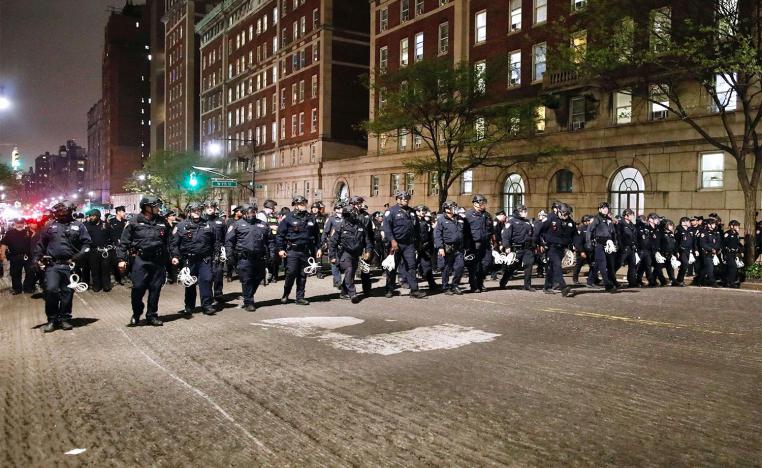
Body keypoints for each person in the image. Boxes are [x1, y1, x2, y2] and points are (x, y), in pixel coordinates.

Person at [33, 200, 92, 332]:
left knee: (67, 293)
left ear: (70, 210)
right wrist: (36, 259)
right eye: (58, 211)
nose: (59, 213)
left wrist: (78, 256)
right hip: (53, 265)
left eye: (62, 210)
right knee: (51, 290)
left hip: (70, 265)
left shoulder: (79, 226)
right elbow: (40, 244)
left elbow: (87, 244)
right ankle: (52, 319)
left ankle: (65, 318)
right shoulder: (49, 225)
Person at [117, 196, 171, 327]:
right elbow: (124, 242)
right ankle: (136, 313)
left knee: (155, 288)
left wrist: (170, 258)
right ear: (146, 207)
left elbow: (169, 241)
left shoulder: (162, 222)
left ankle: (152, 315)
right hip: (140, 260)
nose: (158, 208)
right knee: (138, 288)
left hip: (158, 261)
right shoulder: (134, 221)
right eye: (155, 206)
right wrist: (121, 259)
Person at [225, 203, 275, 311]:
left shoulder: (263, 224)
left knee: (258, 278)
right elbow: (229, 242)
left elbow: (270, 240)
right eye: (248, 212)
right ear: (243, 213)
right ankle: (248, 302)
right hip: (244, 258)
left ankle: (248, 295)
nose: (251, 214)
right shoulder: (236, 225)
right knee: (247, 280)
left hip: (259, 257)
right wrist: (229, 256)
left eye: (253, 212)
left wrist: (272, 254)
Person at [171, 202, 217, 316]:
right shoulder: (181, 226)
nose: (197, 212)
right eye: (194, 210)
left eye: (199, 210)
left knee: (206, 280)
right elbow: (174, 243)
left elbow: (215, 242)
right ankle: (189, 306)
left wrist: (216, 256)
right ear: (189, 212)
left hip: (204, 259)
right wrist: (175, 256)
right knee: (190, 283)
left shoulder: (208, 225)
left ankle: (207, 305)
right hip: (189, 259)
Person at [276, 195, 322, 305]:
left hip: (306, 250)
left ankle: (300, 297)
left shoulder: (311, 217)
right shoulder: (288, 217)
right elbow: (280, 235)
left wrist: (318, 248)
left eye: (305, 203)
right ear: (296, 205)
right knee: (291, 273)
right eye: (302, 204)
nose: (304, 206)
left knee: (303, 274)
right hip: (292, 250)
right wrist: (280, 249)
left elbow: (317, 235)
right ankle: (286, 294)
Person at [383, 191, 426, 298]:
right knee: (392, 267)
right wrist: (393, 241)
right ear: (398, 199)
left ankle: (414, 290)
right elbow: (387, 229)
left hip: (409, 244)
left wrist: (418, 242)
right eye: (403, 198)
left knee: (411, 267)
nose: (406, 200)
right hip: (396, 244)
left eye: (407, 199)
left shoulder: (412, 212)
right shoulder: (391, 211)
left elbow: (416, 229)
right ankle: (389, 289)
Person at [330, 202, 371, 303]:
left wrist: (368, 251)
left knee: (351, 273)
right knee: (349, 270)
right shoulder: (341, 226)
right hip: (345, 253)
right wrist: (332, 256)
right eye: (346, 215)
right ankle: (353, 294)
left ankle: (344, 292)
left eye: (350, 214)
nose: (348, 217)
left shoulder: (361, 225)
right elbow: (333, 242)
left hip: (356, 253)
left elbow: (367, 240)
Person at [534, 203, 575, 297]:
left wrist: (576, 247)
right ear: (559, 212)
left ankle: (547, 287)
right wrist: (538, 244)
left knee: (552, 268)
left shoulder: (570, 222)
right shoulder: (550, 219)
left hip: (562, 248)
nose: (565, 216)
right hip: (551, 247)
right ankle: (563, 287)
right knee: (557, 266)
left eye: (567, 214)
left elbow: (574, 235)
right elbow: (538, 230)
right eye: (564, 214)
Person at [499, 204, 535, 291]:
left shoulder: (527, 222)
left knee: (529, 265)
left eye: (526, 211)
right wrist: (507, 246)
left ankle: (527, 285)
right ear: (518, 212)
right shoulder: (511, 222)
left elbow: (532, 234)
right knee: (512, 267)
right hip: (517, 248)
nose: (525, 213)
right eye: (523, 211)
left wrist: (534, 244)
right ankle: (503, 282)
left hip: (527, 248)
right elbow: (506, 235)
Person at [434, 201, 466, 295]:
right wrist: (440, 247)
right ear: (446, 209)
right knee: (446, 268)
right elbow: (437, 234)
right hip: (446, 248)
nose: (454, 209)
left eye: (455, 207)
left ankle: (455, 285)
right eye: (452, 207)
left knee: (460, 266)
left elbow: (465, 233)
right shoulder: (441, 220)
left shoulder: (459, 218)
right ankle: (445, 286)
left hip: (458, 248)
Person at [586, 202, 619, 292]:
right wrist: (589, 243)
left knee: (601, 264)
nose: (605, 209)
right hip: (599, 244)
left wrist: (615, 243)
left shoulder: (609, 220)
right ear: (600, 209)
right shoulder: (596, 219)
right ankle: (607, 284)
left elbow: (613, 233)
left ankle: (590, 281)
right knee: (603, 264)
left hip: (608, 245)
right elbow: (589, 231)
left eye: (607, 208)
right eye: (603, 208)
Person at [464, 195, 492, 293]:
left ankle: (480, 282)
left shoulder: (487, 215)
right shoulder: (468, 215)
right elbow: (464, 232)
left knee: (487, 263)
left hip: (486, 244)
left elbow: (491, 230)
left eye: (484, 203)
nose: (484, 205)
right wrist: (466, 245)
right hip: (474, 244)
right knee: (474, 266)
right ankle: (474, 285)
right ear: (475, 203)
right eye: (482, 203)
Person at [0, 218, 36, 294]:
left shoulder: (29, 232)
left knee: (31, 272)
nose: (19, 225)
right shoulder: (9, 233)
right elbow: (4, 244)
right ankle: (17, 289)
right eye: (17, 223)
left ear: (23, 224)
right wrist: (2, 254)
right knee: (15, 274)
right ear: (15, 223)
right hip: (14, 256)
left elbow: (34, 243)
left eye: (21, 223)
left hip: (28, 256)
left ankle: (27, 288)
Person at [83, 209, 114, 292]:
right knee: (95, 270)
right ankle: (96, 285)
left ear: (98, 216)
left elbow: (112, 237)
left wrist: (111, 246)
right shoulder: (86, 225)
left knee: (105, 269)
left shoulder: (105, 225)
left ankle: (106, 285)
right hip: (93, 251)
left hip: (105, 251)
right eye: (90, 216)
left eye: (93, 216)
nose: (91, 217)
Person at [349, 196, 375, 296]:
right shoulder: (347, 215)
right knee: (350, 270)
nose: (359, 205)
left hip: (363, 246)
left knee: (365, 269)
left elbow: (369, 235)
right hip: (350, 247)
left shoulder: (366, 217)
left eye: (360, 203)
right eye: (357, 203)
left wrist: (369, 249)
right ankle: (347, 290)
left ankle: (367, 290)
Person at [202, 200, 226, 302]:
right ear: (204, 209)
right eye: (207, 207)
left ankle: (218, 293)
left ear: (215, 208)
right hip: (205, 251)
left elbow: (225, 236)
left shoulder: (220, 221)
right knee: (207, 275)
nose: (210, 208)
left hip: (218, 250)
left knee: (218, 273)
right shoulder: (201, 221)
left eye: (212, 207)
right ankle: (208, 296)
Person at [321, 202, 344, 289]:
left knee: (343, 263)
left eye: (341, 208)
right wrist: (324, 242)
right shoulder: (331, 219)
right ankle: (338, 281)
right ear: (335, 210)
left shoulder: (346, 218)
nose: (340, 210)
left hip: (344, 244)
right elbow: (326, 231)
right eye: (338, 208)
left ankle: (338, 279)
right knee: (334, 262)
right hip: (333, 244)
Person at [415, 204, 438, 290]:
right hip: (416, 247)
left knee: (427, 266)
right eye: (422, 210)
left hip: (425, 248)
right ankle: (409, 283)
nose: (424, 212)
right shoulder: (413, 221)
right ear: (417, 212)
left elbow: (430, 235)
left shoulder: (426, 222)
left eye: (425, 210)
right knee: (412, 267)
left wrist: (430, 247)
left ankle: (431, 283)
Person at [258, 200, 280, 282]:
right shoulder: (261, 215)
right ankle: (263, 277)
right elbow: (260, 226)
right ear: (269, 207)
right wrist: (271, 227)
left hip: (273, 240)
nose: (274, 209)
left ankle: (272, 275)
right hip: (264, 241)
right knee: (265, 259)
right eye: (273, 207)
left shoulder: (272, 215)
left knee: (273, 258)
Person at [617, 209, 640, 288]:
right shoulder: (621, 223)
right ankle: (611, 279)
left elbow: (634, 236)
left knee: (633, 265)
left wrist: (635, 246)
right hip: (624, 247)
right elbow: (619, 236)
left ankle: (632, 282)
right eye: (631, 215)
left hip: (632, 248)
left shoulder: (632, 224)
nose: (632, 216)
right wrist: (621, 246)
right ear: (626, 215)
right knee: (618, 264)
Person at [637, 213, 660, 287]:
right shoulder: (646, 227)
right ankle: (650, 280)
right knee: (646, 265)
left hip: (654, 250)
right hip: (647, 250)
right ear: (651, 220)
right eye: (655, 219)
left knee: (647, 265)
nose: (657, 220)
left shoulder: (657, 227)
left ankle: (646, 280)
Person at [573, 215, 595, 285]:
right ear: (585, 221)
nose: (590, 222)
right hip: (582, 250)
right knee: (578, 265)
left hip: (590, 250)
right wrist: (581, 251)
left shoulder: (592, 228)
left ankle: (593, 279)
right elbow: (579, 241)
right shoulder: (581, 229)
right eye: (588, 221)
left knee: (593, 265)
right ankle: (575, 279)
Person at [108, 206, 128, 285]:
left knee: (123, 260)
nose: (124, 213)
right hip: (114, 244)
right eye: (123, 212)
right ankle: (113, 276)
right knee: (114, 261)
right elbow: (110, 233)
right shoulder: (111, 221)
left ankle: (123, 276)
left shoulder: (125, 221)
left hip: (124, 244)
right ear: (118, 212)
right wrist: (115, 240)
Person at [654, 219, 677, 286]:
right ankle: (660, 281)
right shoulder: (660, 233)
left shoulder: (671, 233)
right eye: (670, 225)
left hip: (669, 253)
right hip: (661, 254)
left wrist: (673, 253)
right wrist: (657, 252)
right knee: (658, 269)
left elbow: (672, 244)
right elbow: (657, 243)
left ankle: (673, 280)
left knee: (670, 269)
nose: (671, 226)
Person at [225, 206, 243, 282]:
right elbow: (227, 232)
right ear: (236, 212)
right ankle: (229, 274)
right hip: (231, 243)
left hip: (239, 243)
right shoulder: (230, 221)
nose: (241, 213)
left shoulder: (243, 220)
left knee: (239, 260)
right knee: (230, 260)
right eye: (240, 211)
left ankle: (240, 275)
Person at [722, 220, 741, 288]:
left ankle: (727, 282)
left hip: (734, 254)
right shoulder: (727, 234)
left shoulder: (736, 234)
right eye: (736, 226)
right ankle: (731, 282)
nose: (737, 227)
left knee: (729, 268)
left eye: (738, 226)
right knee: (733, 267)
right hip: (728, 253)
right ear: (732, 226)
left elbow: (737, 244)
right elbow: (723, 244)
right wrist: (724, 254)